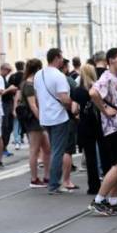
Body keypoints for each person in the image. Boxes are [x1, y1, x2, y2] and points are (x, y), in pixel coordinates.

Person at [87, 48, 117, 215]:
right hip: (114, 127)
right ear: (111, 60)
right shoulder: (106, 77)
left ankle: (113, 201)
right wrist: (105, 110)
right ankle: (99, 200)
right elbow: (93, 92)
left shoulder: (116, 79)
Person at [34, 48, 78, 194]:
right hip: (59, 117)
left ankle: (51, 180)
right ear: (57, 58)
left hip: (45, 117)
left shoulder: (38, 74)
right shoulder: (59, 76)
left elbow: (37, 97)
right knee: (58, 151)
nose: (62, 60)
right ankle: (54, 184)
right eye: (61, 57)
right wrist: (72, 105)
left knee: (53, 150)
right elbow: (64, 98)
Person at [19, 59, 51, 188]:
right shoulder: (29, 85)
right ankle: (34, 179)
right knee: (34, 149)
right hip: (34, 121)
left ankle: (47, 176)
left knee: (47, 148)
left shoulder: (33, 83)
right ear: (38, 69)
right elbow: (33, 105)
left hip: (38, 120)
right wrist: (42, 120)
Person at [76, 63, 103, 195]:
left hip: (85, 124)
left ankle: (93, 185)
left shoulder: (78, 90)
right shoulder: (98, 87)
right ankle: (112, 182)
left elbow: (74, 109)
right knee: (104, 153)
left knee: (90, 156)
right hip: (99, 122)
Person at [0, 62, 20, 158]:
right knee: (5, 127)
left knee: (9, 126)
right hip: (3, 105)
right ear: (3, 69)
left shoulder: (4, 79)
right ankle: (2, 149)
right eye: (8, 70)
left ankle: (4, 147)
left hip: (8, 104)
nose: (9, 72)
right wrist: (10, 89)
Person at [7, 61, 25, 150]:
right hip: (24, 100)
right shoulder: (25, 75)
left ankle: (17, 140)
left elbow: (9, 87)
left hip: (14, 99)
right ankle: (24, 138)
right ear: (23, 66)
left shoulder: (12, 76)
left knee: (16, 121)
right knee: (25, 121)